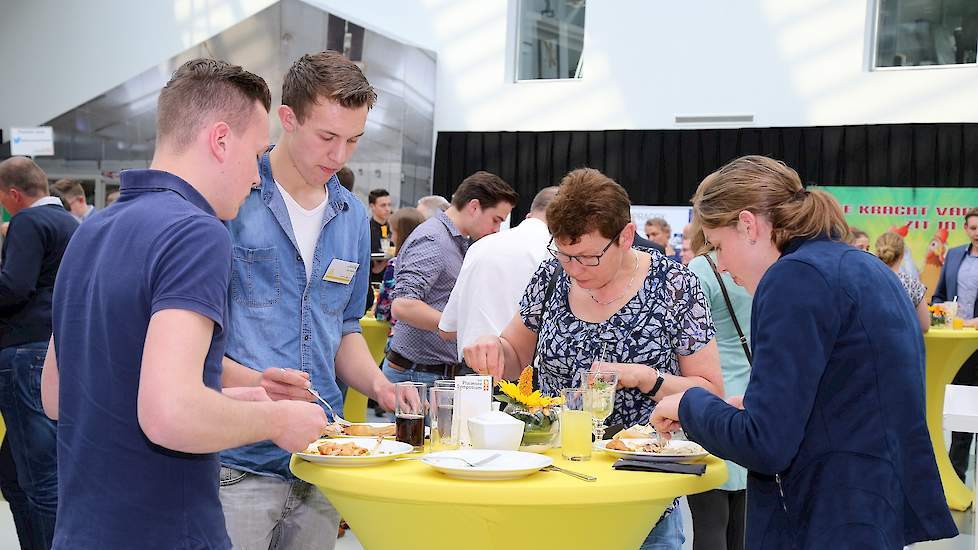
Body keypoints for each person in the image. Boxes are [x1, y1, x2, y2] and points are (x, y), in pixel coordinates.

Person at [41, 58, 328, 550]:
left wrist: (242, 396)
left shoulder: (92, 229)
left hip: (84, 530)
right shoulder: (197, 233)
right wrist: (278, 421)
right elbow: (168, 414)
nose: (258, 179)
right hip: (166, 531)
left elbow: (61, 394)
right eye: (257, 154)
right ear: (220, 140)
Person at [651, 155, 958, 549]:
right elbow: (853, 398)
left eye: (718, 246)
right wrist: (757, 406)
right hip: (868, 511)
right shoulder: (864, 266)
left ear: (747, 225)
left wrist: (688, 405)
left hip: (821, 517)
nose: (721, 265)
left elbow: (766, 445)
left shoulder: (792, 278)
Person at [464, 168, 723, 550]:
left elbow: (709, 390)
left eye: (588, 257)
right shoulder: (551, 276)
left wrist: (645, 378)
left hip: (641, 494)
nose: (575, 270)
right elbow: (516, 355)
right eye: (565, 255)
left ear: (626, 236)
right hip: (555, 484)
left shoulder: (675, 285)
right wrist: (490, 348)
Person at [217, 51, 396, 550]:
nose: (340, 156)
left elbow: (343, 328)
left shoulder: (352, 219)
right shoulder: (232, 198)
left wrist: (381, 387)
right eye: (327, 137)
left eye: (353, 140)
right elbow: (196, 340)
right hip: (237, 460)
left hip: (322, 459)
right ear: (288, 118)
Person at [0, 157, 77, 550]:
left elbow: (14, 287)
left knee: (39, 479)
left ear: (13, 194)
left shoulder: (28, 222)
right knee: (15, 473)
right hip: (55, 352)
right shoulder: (70, 223)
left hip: (24, 353)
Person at [385, 172, 517, 386]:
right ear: (474, 207)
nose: (497, 229)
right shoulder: (434, 239)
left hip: (430, 372)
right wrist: (461, 327)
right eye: (496, 220)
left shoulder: (454, 240)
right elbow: (403, 305)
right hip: (418, 374)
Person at [684, 224, 750, 550]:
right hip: (751, 394)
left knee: (710, 520)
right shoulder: (756, 264)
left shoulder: (701, 269)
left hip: (714, 395)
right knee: (742, 522)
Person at [439, 186, 558, 358]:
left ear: (529, 215)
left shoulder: (479, 246)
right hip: (521, 371)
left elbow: (447, 329)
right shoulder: (554, 253)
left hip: (471, 371)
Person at [931, 206, 978, 482]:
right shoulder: (955, 255)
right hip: (958, 346)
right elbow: (938, 296)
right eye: (973, 227)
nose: (977, 232)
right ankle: (955, 476)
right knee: (960, 412)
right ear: (965, 228)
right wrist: (941, 311)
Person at [375, 207, 427, 324]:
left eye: (393, 232)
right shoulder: (427, 262)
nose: (392, 238)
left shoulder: (395, 265)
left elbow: (382, 311)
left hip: (399, 331)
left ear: (401, 234)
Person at [875, 231, 929, 333]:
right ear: (902, 254)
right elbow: (924, 326)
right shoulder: (912, 284)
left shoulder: (866, 280)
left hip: (870, 345)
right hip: (903, 345)